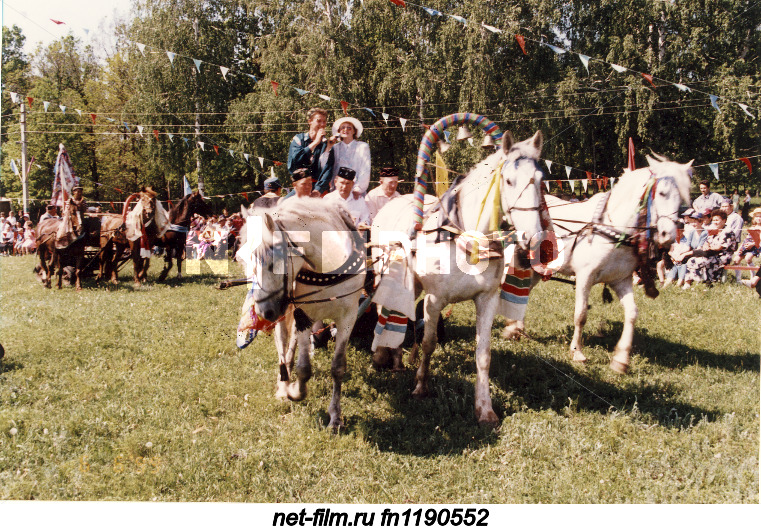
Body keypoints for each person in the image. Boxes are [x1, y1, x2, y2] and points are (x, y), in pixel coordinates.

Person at [287, 107, 337, 196]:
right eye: (319, 121)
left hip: (318, 188)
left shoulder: (327, 144)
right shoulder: (298, 139)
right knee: (284, 205)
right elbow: (295, 161)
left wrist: (318, 190)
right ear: (310, 121)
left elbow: (327, 170)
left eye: (324, 121)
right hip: (300, 186)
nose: (322, 124)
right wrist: (315, 142)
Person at [683, 209, 738, 288]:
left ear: (724, 220)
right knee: (691, 261)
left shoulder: (727, 232)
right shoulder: (713, 231)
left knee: (701, 261)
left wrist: (709, 247)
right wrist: (706, 246)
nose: (715, 222)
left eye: (717, 220)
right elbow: (707, 242)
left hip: (722, 256)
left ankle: (706, 282)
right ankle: (694, 282)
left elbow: (719, 247)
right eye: (713, 220)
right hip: (711, 254)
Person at [664, 211, 707, 288]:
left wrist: (683, 254)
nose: (693, 224)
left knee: (688, 260)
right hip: (691, 253)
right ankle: (672, 280)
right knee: (678, 260)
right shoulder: (692, 232)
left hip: (700, 254)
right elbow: (687, 247)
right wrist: (678, 255)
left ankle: (685, 282)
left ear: (701, 222)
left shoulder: (704, 233)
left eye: (696, 222)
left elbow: (699, 249)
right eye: (692, 222)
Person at [330, 116, 371, 197]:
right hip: (338, 190)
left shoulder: (362, 147)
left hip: (356, 191)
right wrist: (328, 147)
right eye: (342, 128)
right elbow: (327, 167)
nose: (345, 130)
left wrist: (358, 189)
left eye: (349, 128)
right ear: (338, 131)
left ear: (354, 131)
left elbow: (365, 170)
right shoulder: (335, 148)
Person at [732, 207, 761, 282]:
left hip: (756, 246)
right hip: (747, 245)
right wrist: (740, 249)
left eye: (760, 216)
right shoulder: (752, 227)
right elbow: (746, 239)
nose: (759, 218)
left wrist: (753, 244)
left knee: (748, 258)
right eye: (757, 216)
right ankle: (738, 280)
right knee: (736, 260)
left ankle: (753, 277)